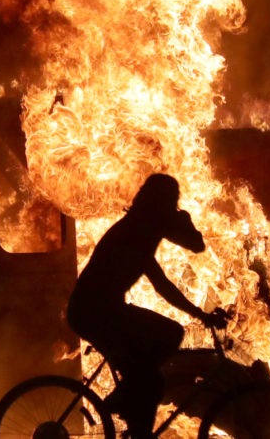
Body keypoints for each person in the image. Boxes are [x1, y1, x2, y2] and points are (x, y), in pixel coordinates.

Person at [66, 173, 226, 438]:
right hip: (95, 312)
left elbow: (163, 284)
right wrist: (184, 219)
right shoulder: (141, 230)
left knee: (148, 380)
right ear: (162, 203)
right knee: (162, 353)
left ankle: (130, 402)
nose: (174, 207)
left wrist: (199, 314)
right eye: (173, 201)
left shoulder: (138, 228)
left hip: (96, 311)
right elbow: (195, 246)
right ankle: (126, 397)